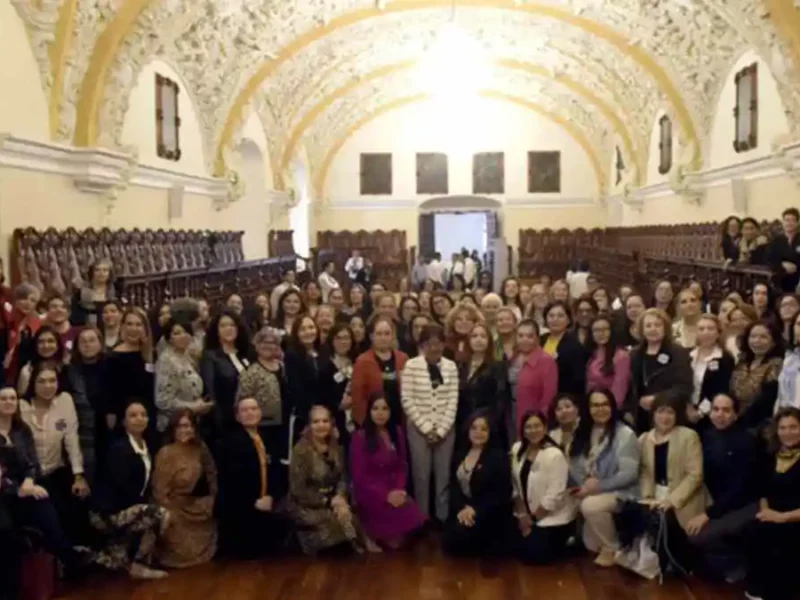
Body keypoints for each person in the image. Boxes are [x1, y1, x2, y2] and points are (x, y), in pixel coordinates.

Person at [90, 401, 169, 579]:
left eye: (142, 414)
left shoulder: (147, 446)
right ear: (124, 421)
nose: (139, 419)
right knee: (158, 514)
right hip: (107, 512)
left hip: (129, 506)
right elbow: (120, 488)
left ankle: (123, 555)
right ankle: (137, 564)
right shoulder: (119, 449)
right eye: (133, 415)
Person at [687, 393, 759, 583]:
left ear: (736, 414)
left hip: (744, 504)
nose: (720, 415)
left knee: (698, 535)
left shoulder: (746, 441)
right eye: (716, 409)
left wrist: (708, 514)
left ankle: (738, 565)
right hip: (716, 501)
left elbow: (740, 489)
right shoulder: (706, 435)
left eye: (726, 410)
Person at [568, 389, 640, 567]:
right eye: (595, 405)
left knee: (590, 506)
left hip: (621, 491)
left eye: (605, 404)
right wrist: (583, 486)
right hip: (590, 489)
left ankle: (612, 548)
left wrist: (597, 487)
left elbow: (628, 474)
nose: (600, 409)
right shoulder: (583, 430)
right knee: (590, 545)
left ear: (612, 407)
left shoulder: (625, 434)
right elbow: (574, 465)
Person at [217, 398, 292, 558]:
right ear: (237, 416)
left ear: (260, 412)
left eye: (254, 408)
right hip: (243, 508)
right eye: (244, 410)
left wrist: (271, 496)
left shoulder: (268, 438)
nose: (250, 413)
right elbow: (231, 482)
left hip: (267, 502)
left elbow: (278, 472)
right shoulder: (229, 443)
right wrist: (253, 501)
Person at [350, 392, 426, 549]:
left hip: (394, 489)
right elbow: (360, 476)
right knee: (395, 544)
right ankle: (366, 530)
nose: (380, 413)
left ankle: (383, 532)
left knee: (416, 524)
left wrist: (399, 489)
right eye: (375, 408)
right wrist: (385, 495)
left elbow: (402, 465)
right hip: (371, 492)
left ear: (391, 412)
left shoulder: (396, 432)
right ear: (369, 412)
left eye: (385, 409)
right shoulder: (360, 437)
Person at [638, 395, 706, 571]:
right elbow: (645, 472)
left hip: (685, 496)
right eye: (661, 411)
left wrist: (672, 500)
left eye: (670, 412)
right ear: (653, 414)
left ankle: (674, 562)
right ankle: (654, 561)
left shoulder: (689, 436)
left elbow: (695, 475)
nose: (665, 417)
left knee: (665, 518)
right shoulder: (645, 439)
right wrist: (648, 496)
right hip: (655, 493)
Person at [288, 405, 366, 555]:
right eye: (316, 421)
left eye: (325, 421)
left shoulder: (335, 445)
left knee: (349, 519)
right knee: (337, 523)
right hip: (307, 504)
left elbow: (343, 476)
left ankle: (352, 544)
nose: (321, 425)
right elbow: (298, 490)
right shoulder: (301, 450)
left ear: (331, 423)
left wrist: (340, 497)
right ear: (309, 425)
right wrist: (328, 501)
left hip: (334, 501)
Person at [401, 324, 459, 522]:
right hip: (418, 429)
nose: (434, 348)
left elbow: (453, 399)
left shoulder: (451, 366)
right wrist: (426, 428)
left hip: (446, 428)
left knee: (443, 477)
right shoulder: (411, 366)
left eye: (438, 343)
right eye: (429, 344)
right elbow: (407, 399)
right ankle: (421, 518)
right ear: (422, 345)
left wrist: (441, 430)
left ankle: (442, 518)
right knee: (421, 477)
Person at [744, 407, 800, 600]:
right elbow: (763, 491)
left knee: (780, 540)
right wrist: (766, 510)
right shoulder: (771, 455)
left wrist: (782, 517)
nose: (788, 432)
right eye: (783, 428)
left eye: (794, 427)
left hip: (795, 517)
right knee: (754, 530)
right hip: (772, 513)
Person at [152, 409, 218, 568]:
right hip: (171, 506)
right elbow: (159, 491)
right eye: (180, 427)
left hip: (191, 503)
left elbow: (212, 472)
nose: (185, 430)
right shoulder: (165, 453)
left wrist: (213, 498)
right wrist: (169, 514)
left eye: (188, 426)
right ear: (173, 429)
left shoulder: (199, 448)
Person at [443, 410, 512, 557]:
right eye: (474, 428)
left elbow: (501, 494)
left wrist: (475, 510)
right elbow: (454, 487)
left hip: (488, 513)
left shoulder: (498, 457)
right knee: (451, 542)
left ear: (490, 432)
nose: (478, 432)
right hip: (464, 511)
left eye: (483, 429)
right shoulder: (460, 454)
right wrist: (462, 509)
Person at [511, 410, 577, 564]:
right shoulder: (517, 448)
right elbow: (514, 485)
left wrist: (532, 519)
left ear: (545, 428)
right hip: (524, 514)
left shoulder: (554, 454)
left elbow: (554, 495)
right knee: (508, 547)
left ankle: (567, 541)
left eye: (537, 426)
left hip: (549, 516)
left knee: (533, 555)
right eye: (528, 427)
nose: (533, 431)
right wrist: (522, 516)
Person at [627, 308, 693, 433]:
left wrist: (657, 399)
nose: (653, 329)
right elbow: (629, 386)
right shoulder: (634, 354)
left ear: (665, 327)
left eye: (657, 325)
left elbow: (684, 387)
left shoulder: (678, 352)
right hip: (641, 418)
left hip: (669, 415)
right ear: (642, 329)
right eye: (648, 326)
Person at [155, 317, 210, 435]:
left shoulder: (190, 358)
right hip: (173, 426)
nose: (183, 336)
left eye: (186, 332)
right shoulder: (166, 361)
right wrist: (193, 407)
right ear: (169, 337)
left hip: (192, 423)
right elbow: (163, 400)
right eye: (177, 333)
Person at [200, 310, 251, 435]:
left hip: (248, 417)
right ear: (216, 330)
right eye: (223, 326)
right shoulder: (210, 357)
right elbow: (211, 392)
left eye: (232, 325)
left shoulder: (246, 353)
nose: (228, 329)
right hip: (225, 423)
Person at [457, 323, 509, 445]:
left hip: (487, 426)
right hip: (463, 425)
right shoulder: (461, 366)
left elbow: (500, 401)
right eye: (474, 336)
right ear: (468, 341)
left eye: (483, 336)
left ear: (489, 341)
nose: (478, 340)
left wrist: (485, 422)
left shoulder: (498, 366)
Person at [351, 316, 408, 428]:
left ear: (393, 336)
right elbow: (358, 398)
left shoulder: (403, 359)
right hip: (371, 423)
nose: (383, 338)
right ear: (372, 336)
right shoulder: (362, 361)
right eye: (379, 334)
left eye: (387, 333)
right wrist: (364, 425)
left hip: (399, 421)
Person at [688, 315, 735, 431]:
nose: (706, 332)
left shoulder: (725, 358)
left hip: (710, 416)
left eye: (710, 328)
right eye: (702, 329)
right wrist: (687, 407)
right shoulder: (688, 355)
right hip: (686, 412)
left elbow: (721, 389)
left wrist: (700, 412)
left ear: (718, 333)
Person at [514, 319, 558, 436]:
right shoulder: (513, 358)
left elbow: (548, 400)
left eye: (530, 336)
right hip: (512, 420)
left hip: (533, 425)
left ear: (537, 338)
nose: (525, 340)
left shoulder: (547, 361)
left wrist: (539, 427)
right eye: (520, 336)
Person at [541, 302, 588, 396]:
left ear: (568, 320)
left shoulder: (575, 346)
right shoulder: (540, 340)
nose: (555, 319)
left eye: (560, 316)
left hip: (563, 398)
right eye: (551, 316)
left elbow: (578, 381)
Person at [586, 315, 630, 407]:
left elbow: (619, 389)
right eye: (596, 330)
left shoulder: (621, 356)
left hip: (609, 407)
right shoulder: (592, 353)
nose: (601, 333)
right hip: (592, 404)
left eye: (605, 329)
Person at [768, 207, 800, 292]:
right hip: (780, 280)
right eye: (786, 220)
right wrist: (782, 265)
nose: (789, 223)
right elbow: (770, 258)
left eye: (792, 220)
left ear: (797, 223)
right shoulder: (776, 240)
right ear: (783, 222)